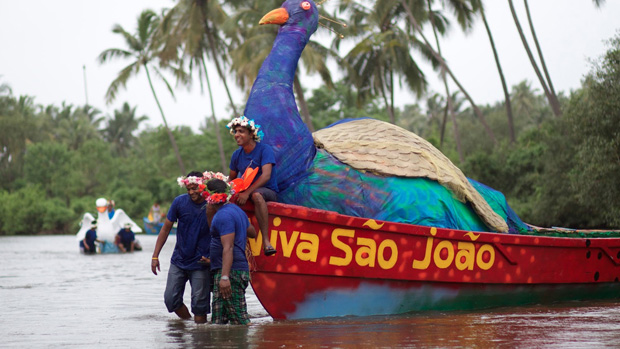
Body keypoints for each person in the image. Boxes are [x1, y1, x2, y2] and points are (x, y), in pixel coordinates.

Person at [151, 171, 211, 324]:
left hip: (201, 263)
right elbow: (165, 229)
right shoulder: (179, 202)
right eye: (188, 189)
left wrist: (213, 257)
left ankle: (200, 337)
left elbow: (220, 233)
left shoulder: (212, 204)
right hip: (179, 260)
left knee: (199, 305)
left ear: (203, 186)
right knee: (170, 299)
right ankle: (189, 325)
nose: (191, 192)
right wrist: (155, 255)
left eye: (194, 188)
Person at [206, 178, 257, 325]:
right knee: (218, 322)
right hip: (228, 270)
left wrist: (225, 278)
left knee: (240, 320)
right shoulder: (236, 211)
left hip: (230, 272)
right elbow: (252, 232)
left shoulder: (224, 216)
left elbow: (228, 247)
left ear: (211, 197)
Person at [226, 115, 278, 256]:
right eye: (235, 131)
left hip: (266, 190)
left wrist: (247, 193)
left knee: (256, 196)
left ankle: (266, 241)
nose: (237, 135)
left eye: (241, 131)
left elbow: (266, 176)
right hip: (245, 191)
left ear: (251, 134)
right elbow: (231, 179)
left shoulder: (264, 150)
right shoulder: (236, 155)